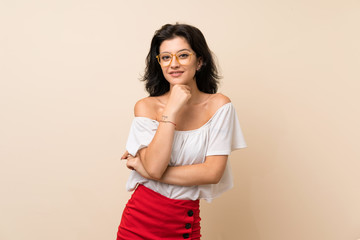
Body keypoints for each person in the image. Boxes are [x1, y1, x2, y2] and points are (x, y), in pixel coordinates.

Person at [116, 23, 247, 240]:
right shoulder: (146, 107)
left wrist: (143, 167)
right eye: (165, 57)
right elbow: (156, 168)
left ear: (200, 61)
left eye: (183, 55)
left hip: (183, 223)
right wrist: (171, 110)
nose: (173, 64)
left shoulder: (219, 106)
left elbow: (212, 174)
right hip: (139, 222)